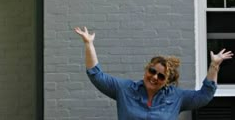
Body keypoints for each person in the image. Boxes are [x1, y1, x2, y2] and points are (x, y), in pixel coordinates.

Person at [75, 26, 233, 120]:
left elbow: (204, 95)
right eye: (152, 71)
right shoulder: (125, 89)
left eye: (161, 76)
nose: (154, 77)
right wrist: (89, 44)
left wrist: (214, 66)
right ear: (147, 69)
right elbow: (97, 76)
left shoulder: (176, 97)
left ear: (167, 81)